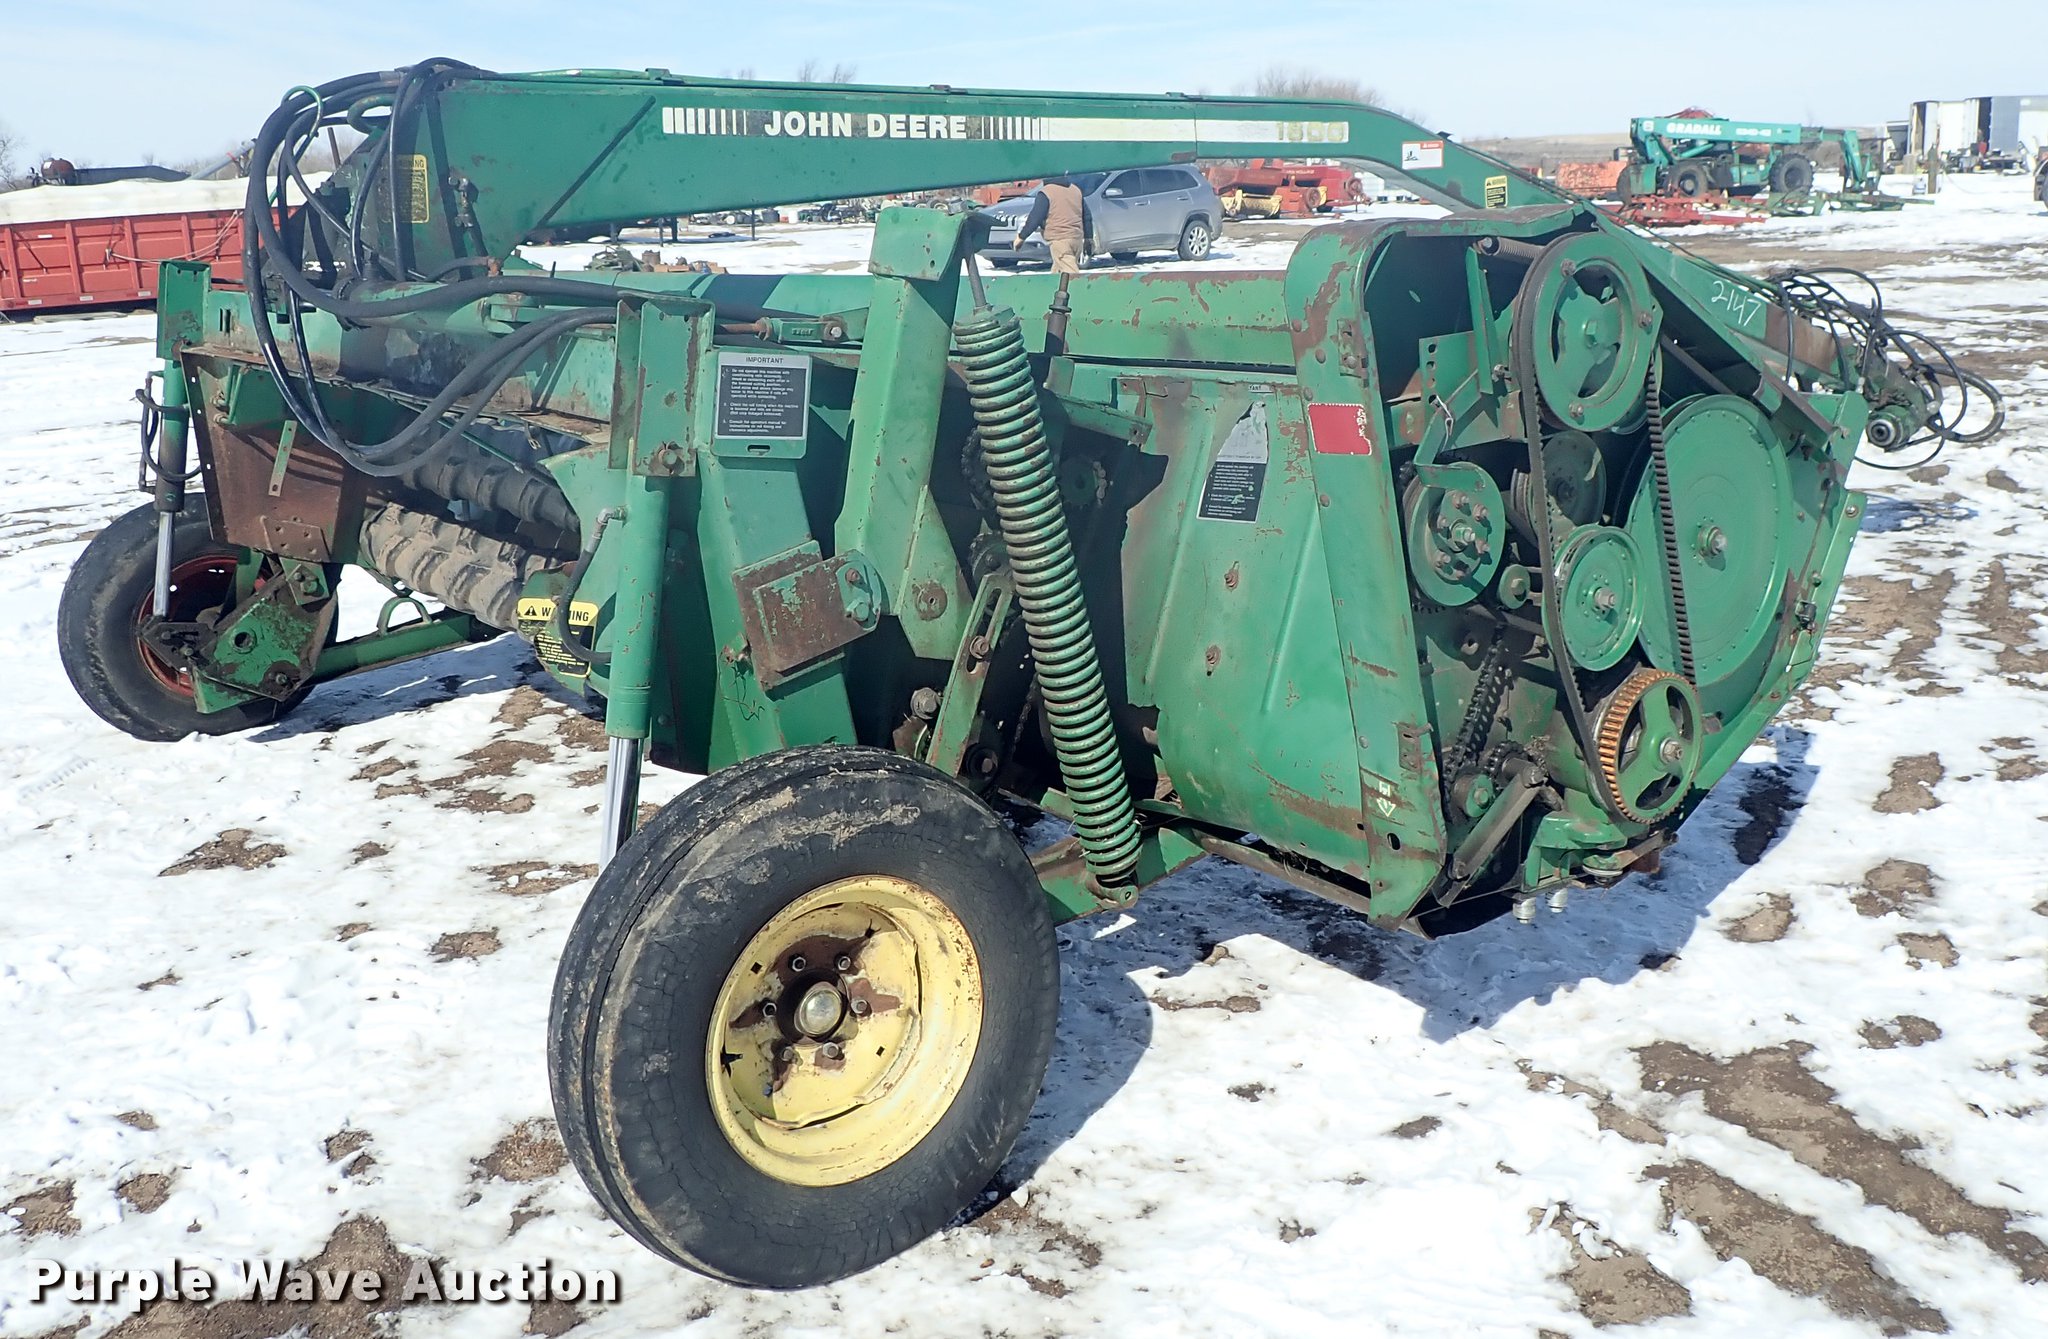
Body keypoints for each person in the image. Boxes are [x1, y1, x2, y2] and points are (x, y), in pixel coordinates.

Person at [1014, 176, 1090, 275]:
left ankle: (1080, 290)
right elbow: (1087, 217)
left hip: (1060, 240)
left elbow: (1035, 218)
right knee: (1057, 274)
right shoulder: (1075, 190)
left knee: (1071, 275)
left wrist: (1021, 237)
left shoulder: (1047, 192)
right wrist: (1089, 238)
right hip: (1076, 240)